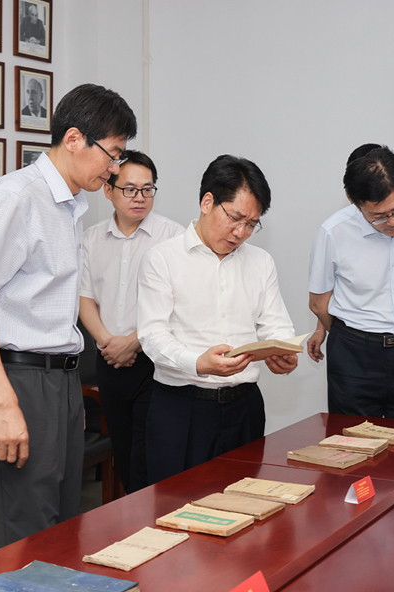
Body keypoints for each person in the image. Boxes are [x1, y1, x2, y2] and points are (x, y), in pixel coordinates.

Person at [0, 83, 137, 553]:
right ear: (74, 139)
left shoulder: (71, 205)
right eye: (112, 154)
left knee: (60, 532)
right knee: (22, 537)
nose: (115, 168)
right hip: (18, 382)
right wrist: (4, 404)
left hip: (59, 382)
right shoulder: (18, 196)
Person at [137, 154, 297, 484]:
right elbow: (152, 335)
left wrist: (283, 351)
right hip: (182, 408)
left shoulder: (261, 262)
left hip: (244, 408)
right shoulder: (162, 259)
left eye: (251, 224)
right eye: (235, 218)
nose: (241, 232)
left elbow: (275, 323)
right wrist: (198, 363)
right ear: (207, 202)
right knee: (175, 505)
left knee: (245, 503)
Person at [308, 144, 394, 421]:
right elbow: (319, 302)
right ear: (354, 202)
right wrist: (352, 336)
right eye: (379, 216)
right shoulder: (334, 232)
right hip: (354, 357)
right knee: (353, 441)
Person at [79, 150, 184, 493]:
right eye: (130, 189)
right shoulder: (91, 238)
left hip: (154, 362)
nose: (140, 197)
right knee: (123, 454)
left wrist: (133, 342)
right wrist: (108, 342)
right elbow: (84, 297)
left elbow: (179, 305)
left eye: (147, 189)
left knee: (147, 458)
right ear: (108, 190)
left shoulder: (174, 237)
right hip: (109, 360)